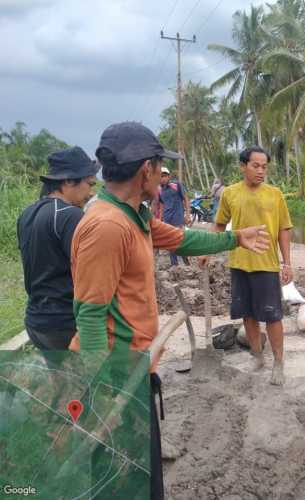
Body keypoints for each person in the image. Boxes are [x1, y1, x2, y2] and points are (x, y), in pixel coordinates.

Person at [69, 122, 269, 500]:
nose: (163, 175)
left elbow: (180, 238)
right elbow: (90, 315)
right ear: (145, 168)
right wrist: (104, 398)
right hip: (116, 380)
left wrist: (233, 237)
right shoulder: (107, 226)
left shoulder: (135, 215)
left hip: (136, 372)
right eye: (160, 166)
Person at [205, 146, 293, 386]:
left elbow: (284, 229)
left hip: (266, 265)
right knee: (247, 314)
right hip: (239, 264)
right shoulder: (230, 194)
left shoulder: (275, 195)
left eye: (264, 167)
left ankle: (278, 362)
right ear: (243, 166)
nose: (261, 171)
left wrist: (287, 262)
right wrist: (208, 251)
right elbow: (220, 225)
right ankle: (257, 356)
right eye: (256, 166)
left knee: (272, 316)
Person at [17, 146, 99, 350]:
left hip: (36, 321)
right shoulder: (70, 216)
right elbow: (89, 275)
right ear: (68, 181)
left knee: (61, 380)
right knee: (86, 381)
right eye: (89, 184)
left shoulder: (27, 213)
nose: (91, 193)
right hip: (64, 323)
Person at [156, 166, 190, 266]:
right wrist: (160, 219)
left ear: (169, 176)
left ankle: (186, 261)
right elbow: (162, 205)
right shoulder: (159, 190)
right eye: (161, 176)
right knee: (170, 241)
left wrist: (188, 214)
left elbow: (186, 199)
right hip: (167, 219)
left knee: (181, 239)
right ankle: (174, 264)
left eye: (165, 176)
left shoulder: (176, 185)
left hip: (178, 218)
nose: (163, 178)